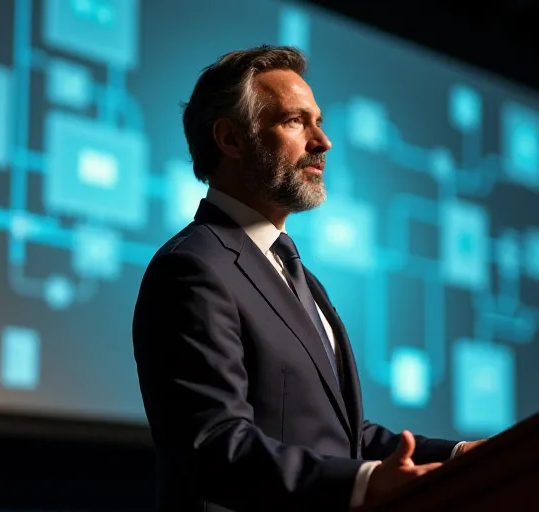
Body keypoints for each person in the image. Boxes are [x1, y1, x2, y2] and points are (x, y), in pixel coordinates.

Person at [132, 45, 485, 512]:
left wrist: (462, 457)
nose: (323, 142)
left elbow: (340, 433)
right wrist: (363, 483)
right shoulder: (193, 267)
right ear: (231, 140)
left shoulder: (294, 271)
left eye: (317, 121)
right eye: (295, 122)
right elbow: (214, 444)